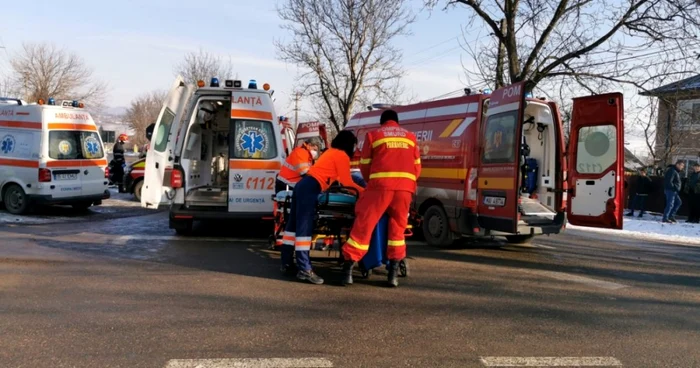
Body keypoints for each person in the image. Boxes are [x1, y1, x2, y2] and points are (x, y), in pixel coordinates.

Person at [341, 109, 421, 287]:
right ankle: (392, 274)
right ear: (397, 122)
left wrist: (372, 183)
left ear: (382, 122)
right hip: (405, 189)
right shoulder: (410, 137)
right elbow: (417, 168)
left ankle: (348, 270)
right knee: (398, 231)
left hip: (380, 188)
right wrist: (406, 184)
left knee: (364, 226)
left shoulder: (374, 135)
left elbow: (365, 166)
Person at [281, 131, 364, 285]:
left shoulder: (330, 152)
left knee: (292, 227)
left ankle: (286, 262)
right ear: (349, 144)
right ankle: (305, 269)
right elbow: (346, 181)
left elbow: (335, 176)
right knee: (303, 231)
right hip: (311, 188)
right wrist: (363, 191)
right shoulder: (342, 156)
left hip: (301, 186)